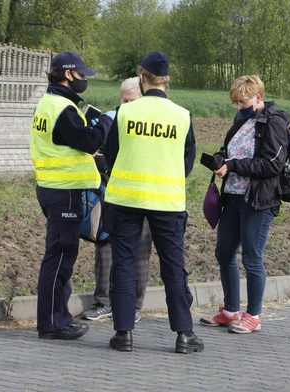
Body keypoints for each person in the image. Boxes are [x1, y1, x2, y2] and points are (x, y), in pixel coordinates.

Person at [102, 51, 203, 354]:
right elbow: (187, 163)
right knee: (173, 267)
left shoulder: (125, 113)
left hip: (125, 199)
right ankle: (184, 335)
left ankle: (123, 334)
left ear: (142, 77)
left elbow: (110, 154)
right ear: (166, 80)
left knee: (123, 264)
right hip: (168, 203)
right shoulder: (182, 115)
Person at [30, 51, 113, 340]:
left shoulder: (48, 103)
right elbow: (88, 142)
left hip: (52, 188)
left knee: (60, 254)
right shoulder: (63, 109)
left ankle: (58, 318)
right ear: (68, 74)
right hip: (64, 191)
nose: (84, 80)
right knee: (60, 256)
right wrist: (104, 122)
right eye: (81, 75)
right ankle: (53, 324)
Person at [199, 75, 290, 334]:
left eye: (243, 101)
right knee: (224, 253)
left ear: (258, 97)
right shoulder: (241, 120)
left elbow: (273, 164)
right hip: (234, 197)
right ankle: (230, 311)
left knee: (252, 257)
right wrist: (219, 159)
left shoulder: (274, 122)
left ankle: (253, 315)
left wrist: (234, 165)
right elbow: (229, 149)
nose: (239, 107)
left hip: (258, 200)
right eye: (236, 103)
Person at [81, 77, 153, 323]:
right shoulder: (112, 118)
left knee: (140, 251)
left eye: (131, 100)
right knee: (105, 245)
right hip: (112, 194)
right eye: (123, 100)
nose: (126, 104)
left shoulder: (149, 123)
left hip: (143, 196)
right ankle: (103, 302)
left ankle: (134, 306)